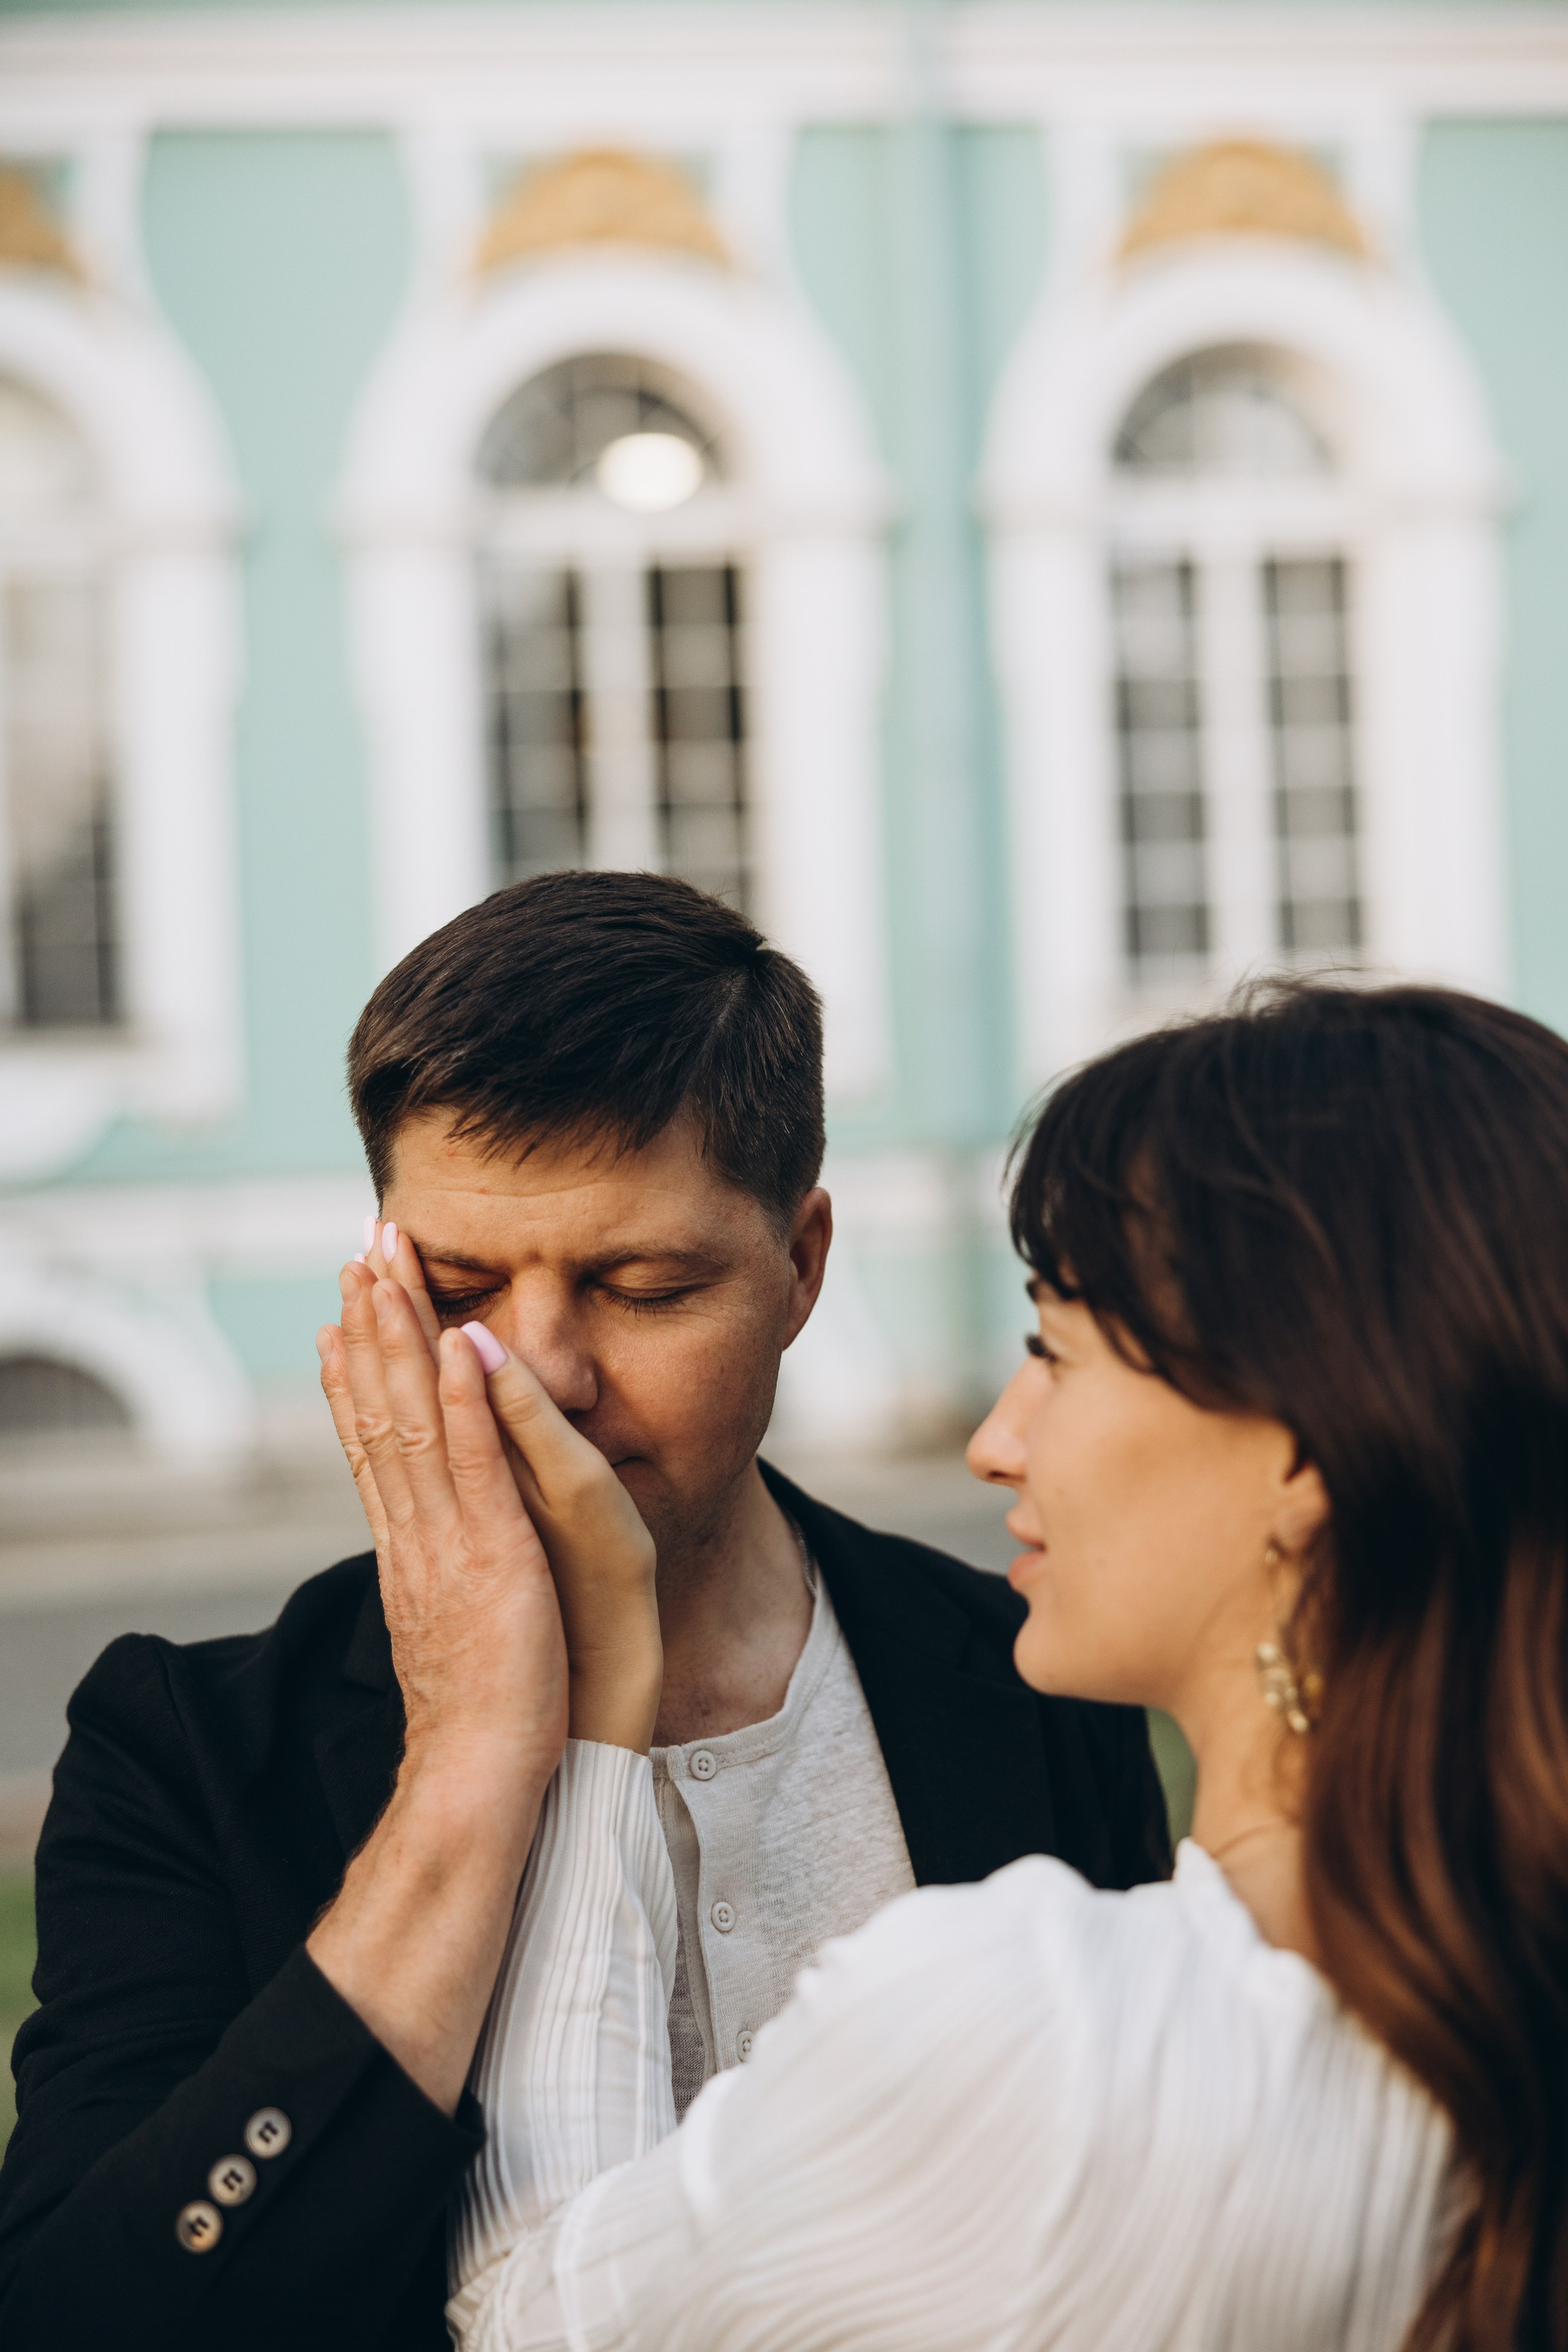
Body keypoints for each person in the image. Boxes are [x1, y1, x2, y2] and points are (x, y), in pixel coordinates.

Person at [0, 873, 1167, 2352]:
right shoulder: (188, 1747)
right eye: (458, 1287)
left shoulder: (1027, 1673)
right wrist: (465, 1767)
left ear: (800, 1269)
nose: (543, 1370)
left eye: (644, 1287)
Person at [358, 978, 1563, 2352]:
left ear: (1302, 1452)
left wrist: (576, 1736)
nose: (997, 1441)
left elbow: (535, 2316)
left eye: (1057, 1350)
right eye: (459, 1290)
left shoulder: (1048, 2030)